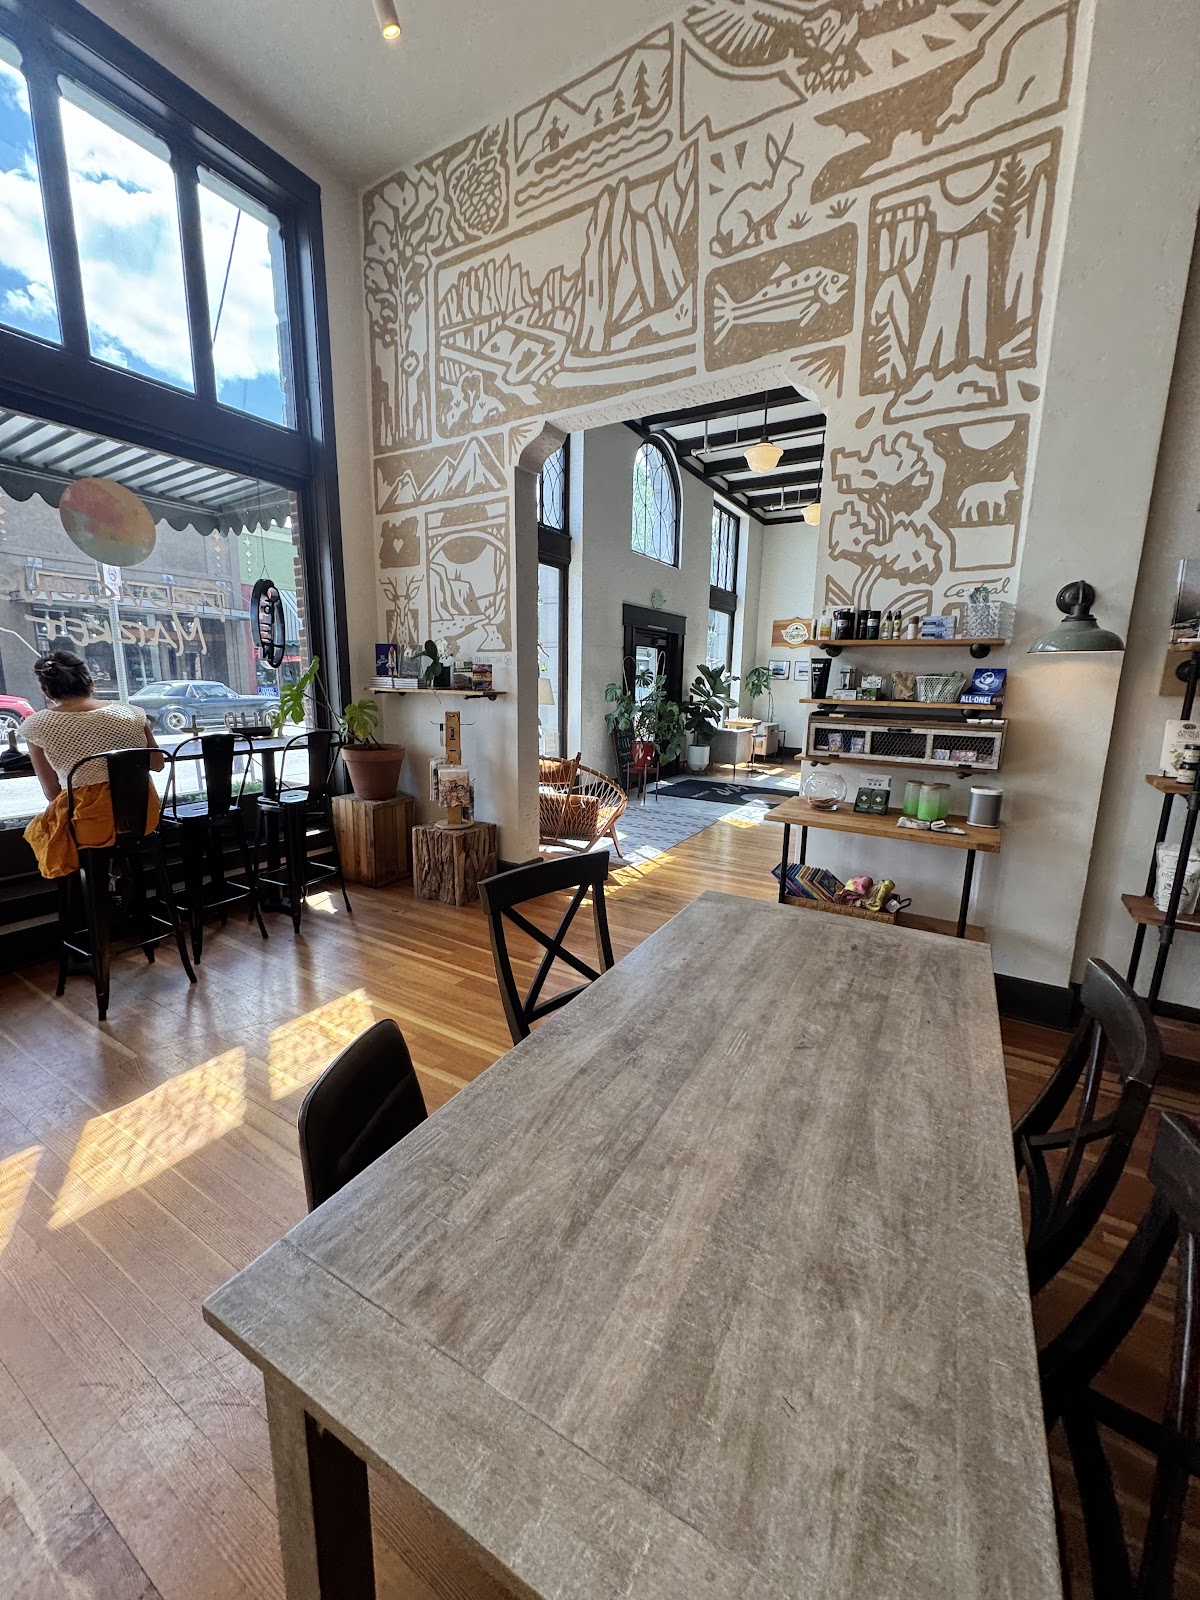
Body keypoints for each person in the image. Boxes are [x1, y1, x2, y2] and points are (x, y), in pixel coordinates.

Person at [21, 649, 164, 878]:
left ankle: (91, 892)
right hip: (144, 817)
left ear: (46, 691)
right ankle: (119, 881)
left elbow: (52, 792)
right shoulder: (132, 713)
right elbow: (158, 764)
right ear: (91, 684)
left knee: (44, 830)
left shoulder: (36, 726)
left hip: (90, 826)